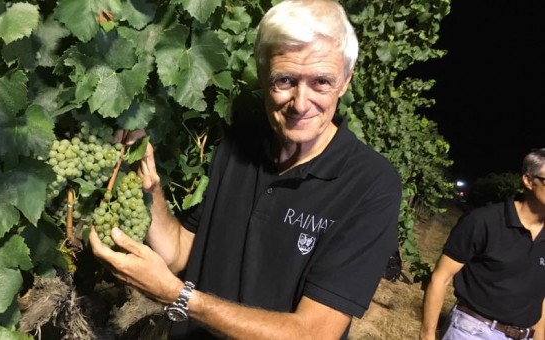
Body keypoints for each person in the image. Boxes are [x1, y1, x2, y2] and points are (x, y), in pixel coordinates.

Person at [90, 0, 402, 338]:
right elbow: (181, 254)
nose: (300, 103)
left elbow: (313, 333)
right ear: (262, 72)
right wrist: (151, 191)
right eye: (284, 80)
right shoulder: (238, 146)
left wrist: (177, 296)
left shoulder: (371, 184)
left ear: (345, 80)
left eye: (321, 82)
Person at [420, 148, 545, 340]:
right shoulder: (483, 222)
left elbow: (540, 299)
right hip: (472, 332)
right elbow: (440, 277)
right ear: (528, 180)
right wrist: (427, 335)